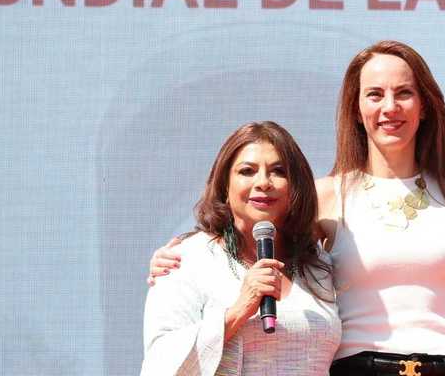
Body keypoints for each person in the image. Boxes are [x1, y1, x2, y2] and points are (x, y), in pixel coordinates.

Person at [150, 41, 445, 376]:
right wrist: (183, 249)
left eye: (404, 93)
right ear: (356, 107)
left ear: (425, 104)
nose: (390, 107)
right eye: (374, 95)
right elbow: (255, 225)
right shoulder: (328, 194)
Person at [140, 121, 341, 376]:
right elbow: (159, 363)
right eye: (247, 171)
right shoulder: (185, 260)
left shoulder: (317, 264)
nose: (263, 182)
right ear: (225, 185)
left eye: (278, 171)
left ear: (295, 187)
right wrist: (238, 311)